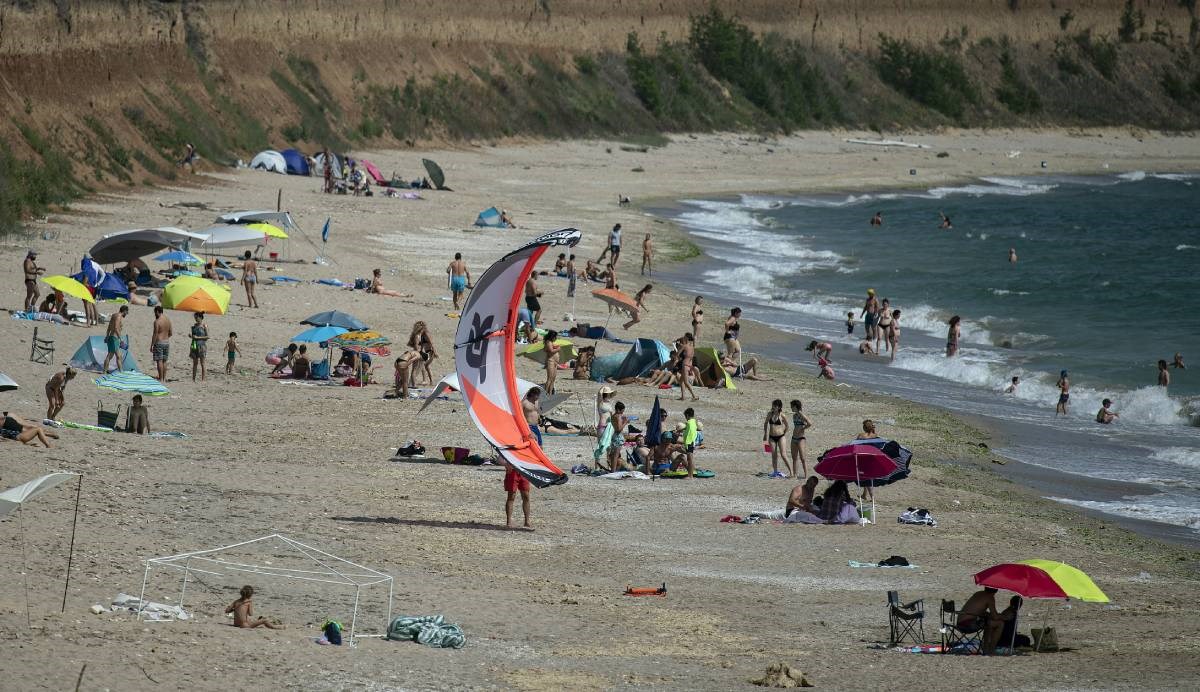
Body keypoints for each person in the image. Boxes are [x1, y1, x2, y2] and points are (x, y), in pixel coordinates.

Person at [958, 587, 1005, 655]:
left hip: (960, 623)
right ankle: (991, 649)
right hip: (968, 625)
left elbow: (978, 611)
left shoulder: (978, 593)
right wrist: (1004, 616)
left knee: (988, 623)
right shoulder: (990, 597)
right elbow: (995, 616)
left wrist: (990, 615)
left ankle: (986, 648)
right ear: (996, 590)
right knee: (1000, 623)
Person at [762, 399, 792, 478]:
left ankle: (791, 472)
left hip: (781, 437)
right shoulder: (770, 414)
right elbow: (765, 423)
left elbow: (787, 426)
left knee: (783, 455)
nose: (773, 407)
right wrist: (765, 433)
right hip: (771, 437)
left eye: (775, 406)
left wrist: (784, 433)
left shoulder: (782, 415)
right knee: (774, 455)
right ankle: (775, 472)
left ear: (779, 407)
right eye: (773, 405)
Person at [407, 321, 437, 385]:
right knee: (424, 366)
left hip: (429, 352)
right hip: (422, 352)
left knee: (423, 366)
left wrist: (435, 352)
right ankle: (426, 381)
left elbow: (431, 343)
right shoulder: (419, 335)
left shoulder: (425, 334)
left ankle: (426, 381)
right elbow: (419, 345)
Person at [790, 400, 813, 479]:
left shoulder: (802, 415)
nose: (791, 408)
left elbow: (810, 423)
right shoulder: (794, 416)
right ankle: (795, 475)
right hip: (794, 438)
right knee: (794, 458)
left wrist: (803, 428)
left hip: (801, 438)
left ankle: (806, 476)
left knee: (803, 458)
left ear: (796, 406)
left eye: (792, 406)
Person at [102, 305, 129, 374]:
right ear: (124, 311)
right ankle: (104, 371)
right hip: (114, 338)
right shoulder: (119, 316)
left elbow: (109, 326)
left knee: (118, 356)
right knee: (110, 355)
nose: (126, 314)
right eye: (127, 312)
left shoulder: (114, 315)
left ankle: (121, 371)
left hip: (112, 338)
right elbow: (116, 328)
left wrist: (107, 336)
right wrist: (121, 339)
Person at [150, 305, 172, 382]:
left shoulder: (157, 322)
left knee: (159, 360)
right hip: (166, 342)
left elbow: (155, 334)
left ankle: (161, 378)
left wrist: (152, 345)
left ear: (157, 312)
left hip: (159, 342)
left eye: (155, 313)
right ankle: (164, 378)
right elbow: (170, 333)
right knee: (164, 361)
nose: (154, 314)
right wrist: (165, 337)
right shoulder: (168, 320)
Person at [677, 332, 698, 402]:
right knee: (681, 380)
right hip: (689, 365)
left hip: (685, 364)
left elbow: (677, 354)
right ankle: (683, 396)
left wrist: (679, 346)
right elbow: (691, 358)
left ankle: (694, 396)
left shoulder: (685, 346)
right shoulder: (692, 347)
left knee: (685, 381)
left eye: (684, 337)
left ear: (686, 338)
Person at [189, 312, 208, 382]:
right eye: (195, 317)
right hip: (194, 345)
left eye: (196, 317)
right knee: (195, 363)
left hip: (202, 346)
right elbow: (194, 336)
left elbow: (207, 337)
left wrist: (198, 337)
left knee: (202, 363)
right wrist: (191, 336)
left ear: (200, 317)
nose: (196, 319)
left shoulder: (204, 326)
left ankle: (203, 379)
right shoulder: (194, 326)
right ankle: (193, 379)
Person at [682, 407, 699, 478]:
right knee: (690, 459)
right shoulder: (694, 422)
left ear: (687, 415)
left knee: (690, 459)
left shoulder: (688, 422)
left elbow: (690, 432)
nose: (685, 418)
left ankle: (690, 476)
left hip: (689, 442)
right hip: (692, 442)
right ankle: (690, 474)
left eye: (685, 416)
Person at [543, 329, 560, 395]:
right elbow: (551, 351)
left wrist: (555, 347)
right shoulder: (548, 342)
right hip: (551, 361)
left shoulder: (550, 342)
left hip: (555, 362)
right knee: (549, 379)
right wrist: (558, 349)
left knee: (553, 379)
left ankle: (550, 393)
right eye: (555, 337)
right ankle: (545, 393)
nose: (556, 338)